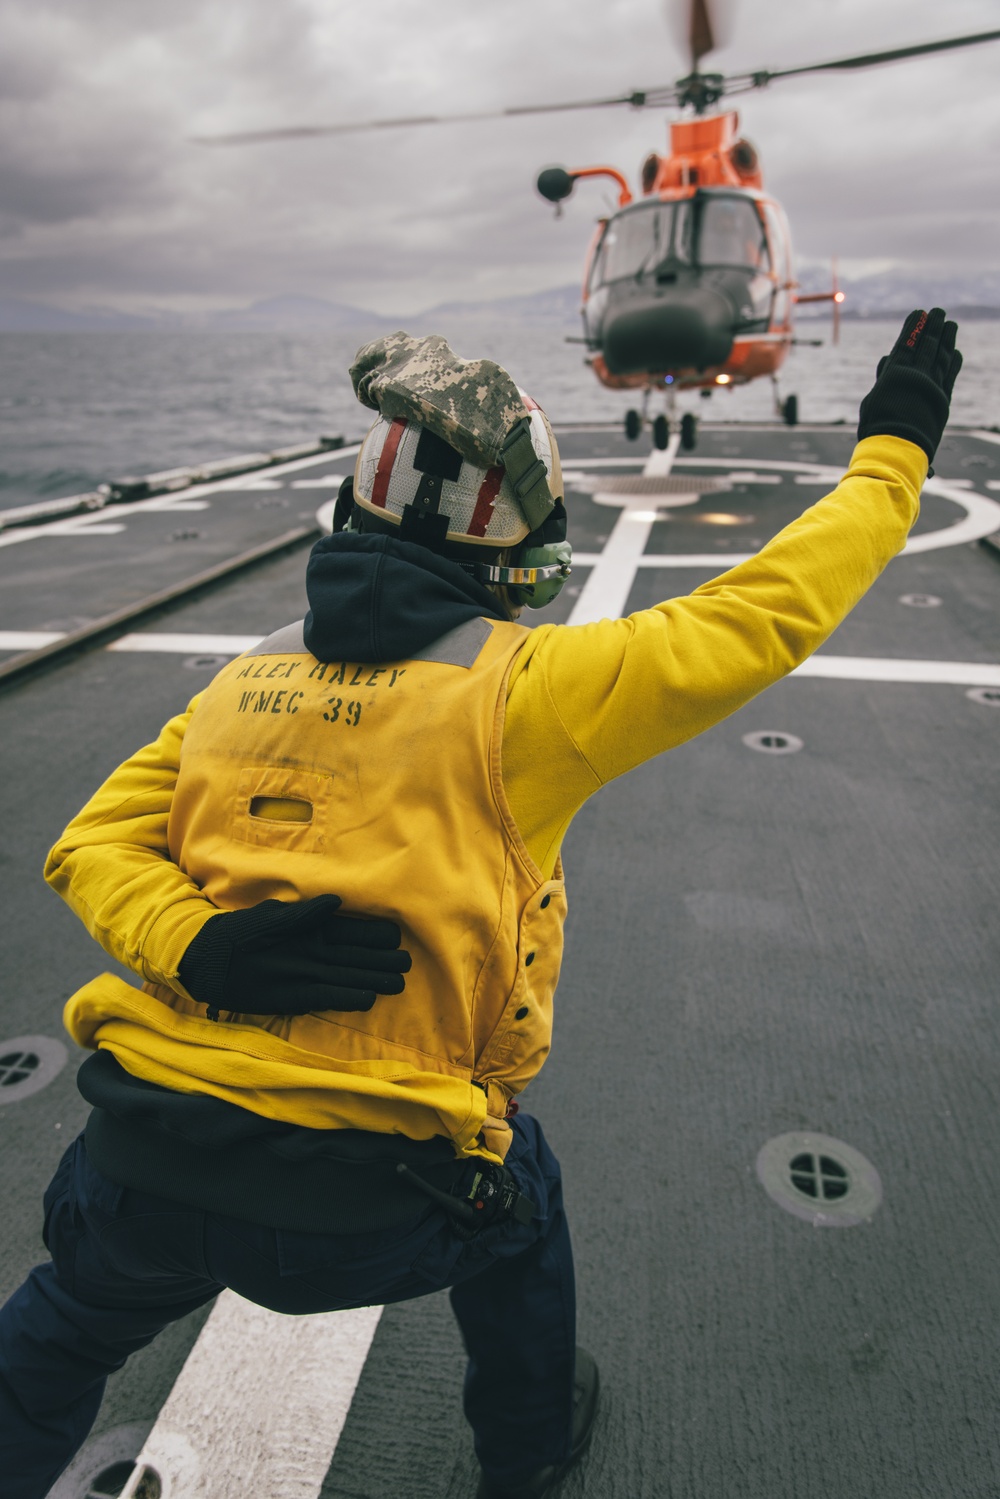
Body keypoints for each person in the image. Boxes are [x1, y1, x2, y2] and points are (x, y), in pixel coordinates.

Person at [0, 311, 962, 1499]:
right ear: (519, 550)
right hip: (372, 1204)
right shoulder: (530, 696)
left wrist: (199, 940)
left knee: (51, 1340)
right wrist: (895, 446)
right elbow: (765, 610)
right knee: (524, 1202)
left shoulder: (233, 681)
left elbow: (89, 839)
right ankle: (527, 1446)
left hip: (141, 1167)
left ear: (350, 515)